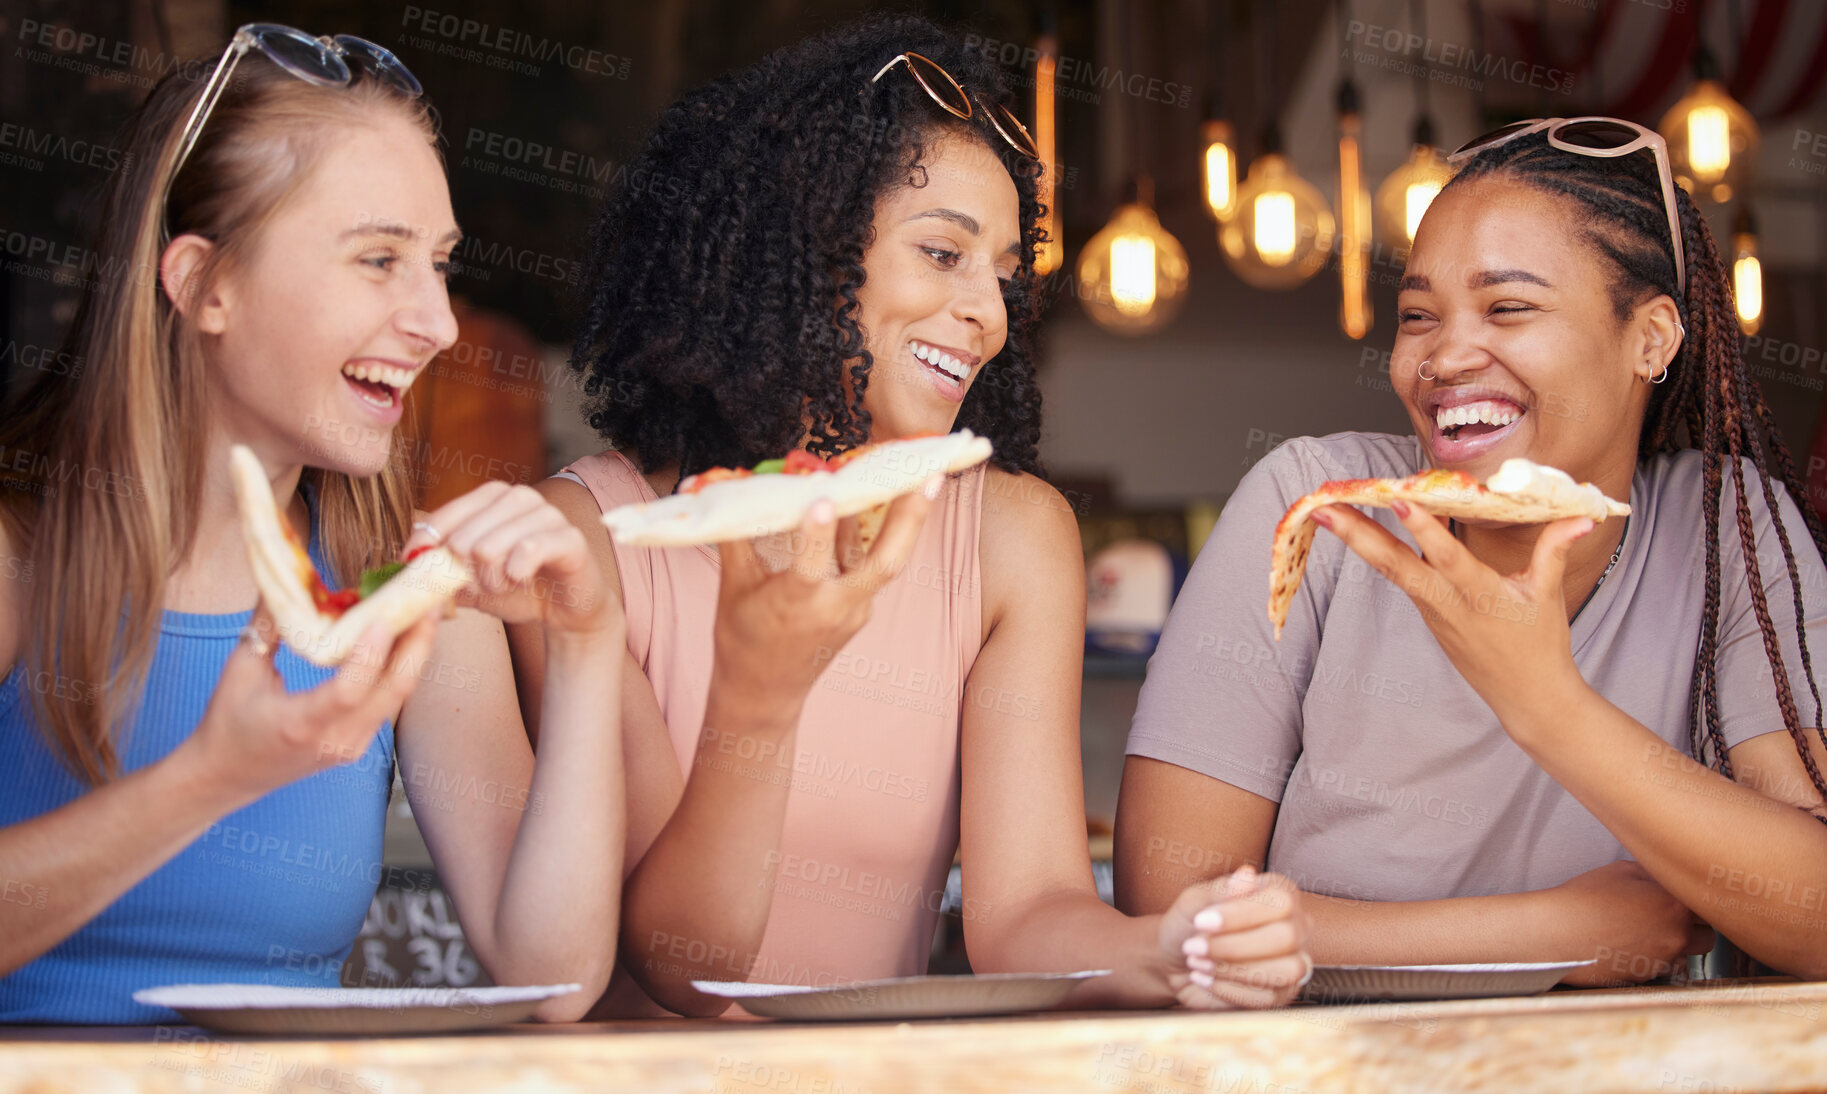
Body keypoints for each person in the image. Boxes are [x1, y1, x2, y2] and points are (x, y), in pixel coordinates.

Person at [515, 14, 1310, 1019]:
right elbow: (680, 958)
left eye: (1006, 273)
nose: (990, 311)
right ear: (797, 246)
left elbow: (1025, 910)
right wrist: (761, 696)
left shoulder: (1012, 538)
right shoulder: (592, 536)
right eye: (944, 254)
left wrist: (1165, 947)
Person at [0, 25, 623, 1023]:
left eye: (440, 264)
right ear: (205, 283)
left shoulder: (407, 583)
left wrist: (589, 644)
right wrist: (209, 778)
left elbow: (553, 976)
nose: (438, 322)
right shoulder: (20, 552)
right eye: (378, 259)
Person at [1117, 118, 1827, 984]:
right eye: (1418, 316)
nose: (1444, 355)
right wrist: (1547, 935)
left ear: (1651, 338)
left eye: (1508, 308)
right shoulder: (1316, 508)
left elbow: (1815, 918)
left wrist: (1545, 703)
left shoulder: (1723, 528)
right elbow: (1168, 911)